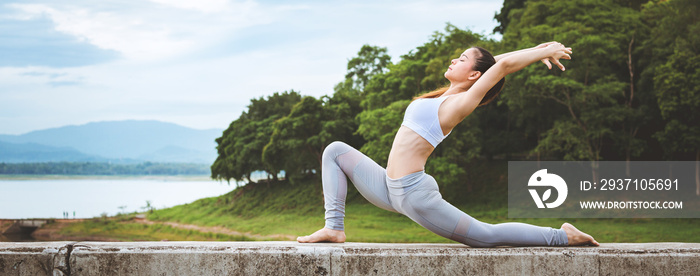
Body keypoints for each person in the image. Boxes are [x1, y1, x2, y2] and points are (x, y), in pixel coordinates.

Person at [297, 42, 599, 247]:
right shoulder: (441, 96)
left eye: (463, 59)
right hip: (388, 189)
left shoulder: (459, 104)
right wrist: (539, 48)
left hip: (414, 195)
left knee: (486, 236)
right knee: (335, 150)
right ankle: (334, 227)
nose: (454, 60)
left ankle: (561, 236)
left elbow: (502, 65)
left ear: (475, 75)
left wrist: (544, 50)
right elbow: (497, 63)